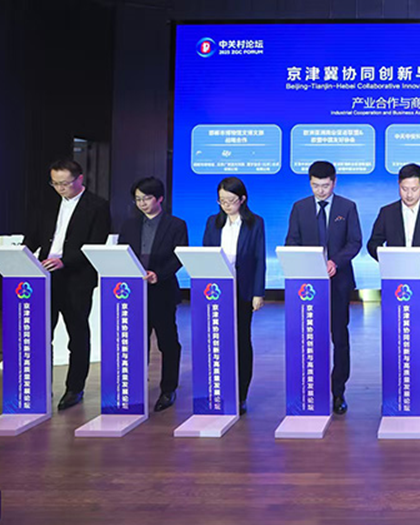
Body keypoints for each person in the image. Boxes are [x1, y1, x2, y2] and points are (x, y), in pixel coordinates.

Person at [23, 159, 111, 411]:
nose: (60, 188)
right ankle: (40, 387)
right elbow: (34, 235)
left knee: (77, 334)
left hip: (77, 278)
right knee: (42, 334)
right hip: (45, 276)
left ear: (80, 179)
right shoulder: (48, 203)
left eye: (65, 183)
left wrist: (65, 261)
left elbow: (95, 243)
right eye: (55, 183)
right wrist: (22, 254)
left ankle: (74, 388)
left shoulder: (97, 206)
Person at [367, 163, 420, 414]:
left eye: (414, 188)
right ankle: (395, 393)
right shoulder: (387, 212)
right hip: (395, 286)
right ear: (398, 186)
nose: (409, 194)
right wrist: (388, 260)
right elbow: (373, 243)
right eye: (404, 189)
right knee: (396, 340)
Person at [285, 161, 362, 415]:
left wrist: (334, 262)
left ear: (334, 182)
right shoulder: (299, 208)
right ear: (310, 183)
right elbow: (292, 241)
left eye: (325, 185)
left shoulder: (347, 207)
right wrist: (309, 263)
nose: (321, 190)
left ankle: (338, 391)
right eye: (316, 185)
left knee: (339, 337)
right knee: (311, 337)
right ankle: (313, 389)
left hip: (338, 283)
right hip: (308, 286)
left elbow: (355, 242)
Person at [118, 177, 188, 412]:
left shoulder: (176, 224)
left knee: (168, 342)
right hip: (135, 292)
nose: (142, 203)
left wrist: (159, 274)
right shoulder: (129, 225)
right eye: (138, 199)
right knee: (138, 342)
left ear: (160, 198)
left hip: (162, 290)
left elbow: (179, 256)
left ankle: (168, 389)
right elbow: (122, 253)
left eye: (146, 198)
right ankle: (136, 386)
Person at [202, 177, 265, 415]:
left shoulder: (255, 222)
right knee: (217, 340)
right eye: (222, 201)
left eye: (231, 200)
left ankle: (241, 394)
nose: (226, 205)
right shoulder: (213, 222)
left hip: (242, 289)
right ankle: (218, 390)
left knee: (241, 340)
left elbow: (259, 259)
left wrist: (258, 292)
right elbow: (205, 254)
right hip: (216, 291)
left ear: (243, 199)